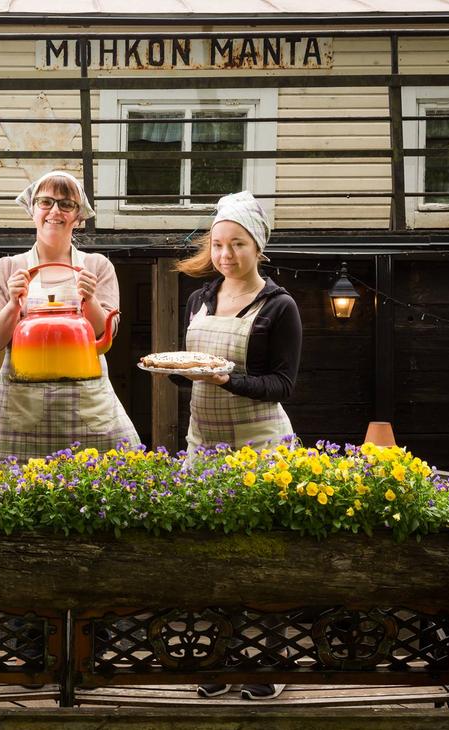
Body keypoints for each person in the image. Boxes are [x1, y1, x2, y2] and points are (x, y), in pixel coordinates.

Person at [173, 190, 302, 701]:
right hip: (204, 445)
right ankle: (218, 659)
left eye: (237, 244)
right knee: (209, 559)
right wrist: (180, 372)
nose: (225, 255)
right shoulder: (199, 300)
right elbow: (191, 371)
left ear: (258, 247)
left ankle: (269, 660)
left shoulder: (279, 306)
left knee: (264, 558)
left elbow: (282, 385)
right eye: (218, 244)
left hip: (261, 447)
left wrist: (226, 380)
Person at [0, 170, 140, 461]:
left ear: (78, 217)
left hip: (87, 406)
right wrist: (14, 304)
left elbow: (104, 335)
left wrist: (90, 298)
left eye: (66, 204)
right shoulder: (8, 268)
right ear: (32, 210)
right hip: (23, 406)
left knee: (106, 476)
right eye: (45, 202)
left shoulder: (97, 266)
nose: (55, 211)